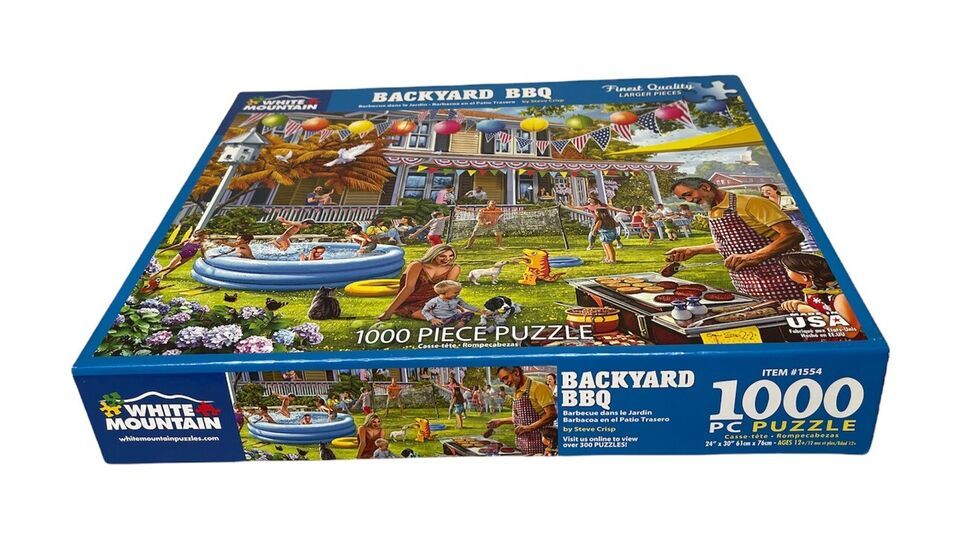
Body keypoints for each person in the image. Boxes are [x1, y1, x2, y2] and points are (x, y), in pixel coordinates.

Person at [666, 177, 805, 302]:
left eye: (688, 194)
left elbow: (793, 234)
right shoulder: (713, 210)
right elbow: (730, 244)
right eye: (684, 198)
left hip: (781, 279)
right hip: (745, 283)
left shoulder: (752, 203)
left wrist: (754, 257)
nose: (689, 200)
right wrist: (693, 250)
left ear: (705, 187)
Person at [779, 252, 861, 339]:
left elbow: (851, 332)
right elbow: (822, 308)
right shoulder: (810, 291)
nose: (786, 273)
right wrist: (799, 304)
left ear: (804, 275)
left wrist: (810, 312)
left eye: (788, 270)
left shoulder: (839, 296)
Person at [378, 244, 461, 321]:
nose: (447, 259)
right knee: (427, 315)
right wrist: (388, 312)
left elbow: (448, 291)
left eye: (451, 256)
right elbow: (408, 288)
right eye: (442, 256)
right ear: (434, 254)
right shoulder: (417, 265)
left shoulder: (453, 268)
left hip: (434, 301)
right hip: (413, 302)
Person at [486, 366, 557, 455]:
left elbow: (551, 414)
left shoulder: (538, 388)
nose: (505, 383)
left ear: (516, 372)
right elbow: (521, 418)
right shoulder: (517, 391)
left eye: (506, 378)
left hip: (539, 445)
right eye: (502, 381)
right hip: (521, 445)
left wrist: (529, 427)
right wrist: (501, 421)